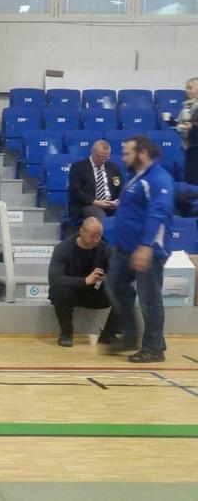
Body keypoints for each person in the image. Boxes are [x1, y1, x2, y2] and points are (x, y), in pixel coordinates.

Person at [103, 135, 174, 363]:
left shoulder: (158, 179)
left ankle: (154, 347)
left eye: (127, 153)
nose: (123, 158)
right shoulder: (136, 177)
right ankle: (130, 336)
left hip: (148, 251)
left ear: (142, 153)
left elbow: (158, 212)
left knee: (149, 299)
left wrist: (146, 246)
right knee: (115, 286)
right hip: (125, 249)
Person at [47, 217, 119, 347]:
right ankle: (66, 333)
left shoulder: (104, 248)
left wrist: (107, 278)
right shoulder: (63, 248)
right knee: (60, 291)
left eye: (99, 236)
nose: (96, 240)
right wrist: (85, 281)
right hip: (70, 292)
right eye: (92, 236)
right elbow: (54, 278)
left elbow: (118, 274)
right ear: (81, 232)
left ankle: (108, 335)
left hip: (95, 293)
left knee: (127, 292)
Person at [68, 140, 121, 223]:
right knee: (101, 218)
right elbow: (76, 191)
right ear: (92, 152)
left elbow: (119, 186)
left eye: (106, 157)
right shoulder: (78, 167)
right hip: (88, 204)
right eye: (100, 157)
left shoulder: (114, 168)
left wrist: (118, 200)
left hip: (111, 204)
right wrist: (95, 202)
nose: (103, 160)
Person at [170, 77, 198, 183]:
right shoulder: (186, 108)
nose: (187, 91)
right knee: (190, 179)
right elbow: (181, 127)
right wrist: (171, 121)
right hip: (190, 147)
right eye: (187, 88)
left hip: (195, 147)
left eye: (190, 88)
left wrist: (191, 126)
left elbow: (192, 125)